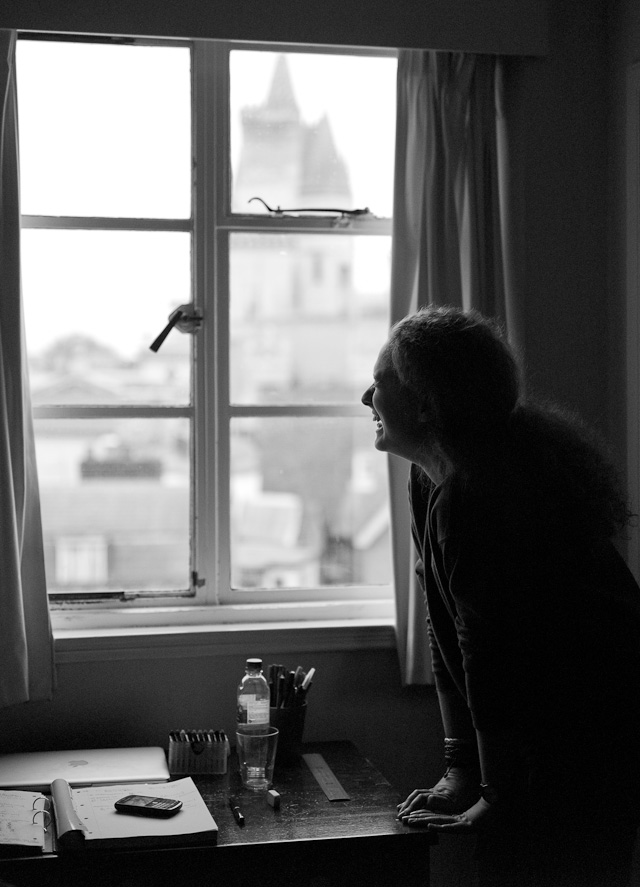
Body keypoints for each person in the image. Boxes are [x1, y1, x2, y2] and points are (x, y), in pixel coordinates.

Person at [361, 306, 640, 887]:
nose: (367, 398)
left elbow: (489, 657)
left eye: (380, 383)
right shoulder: (430, 479)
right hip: (537, 734)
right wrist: (461, 769)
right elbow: (446, 629)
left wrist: (497, 791)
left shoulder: (481, 490)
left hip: (591, 735)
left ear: (422, 402)